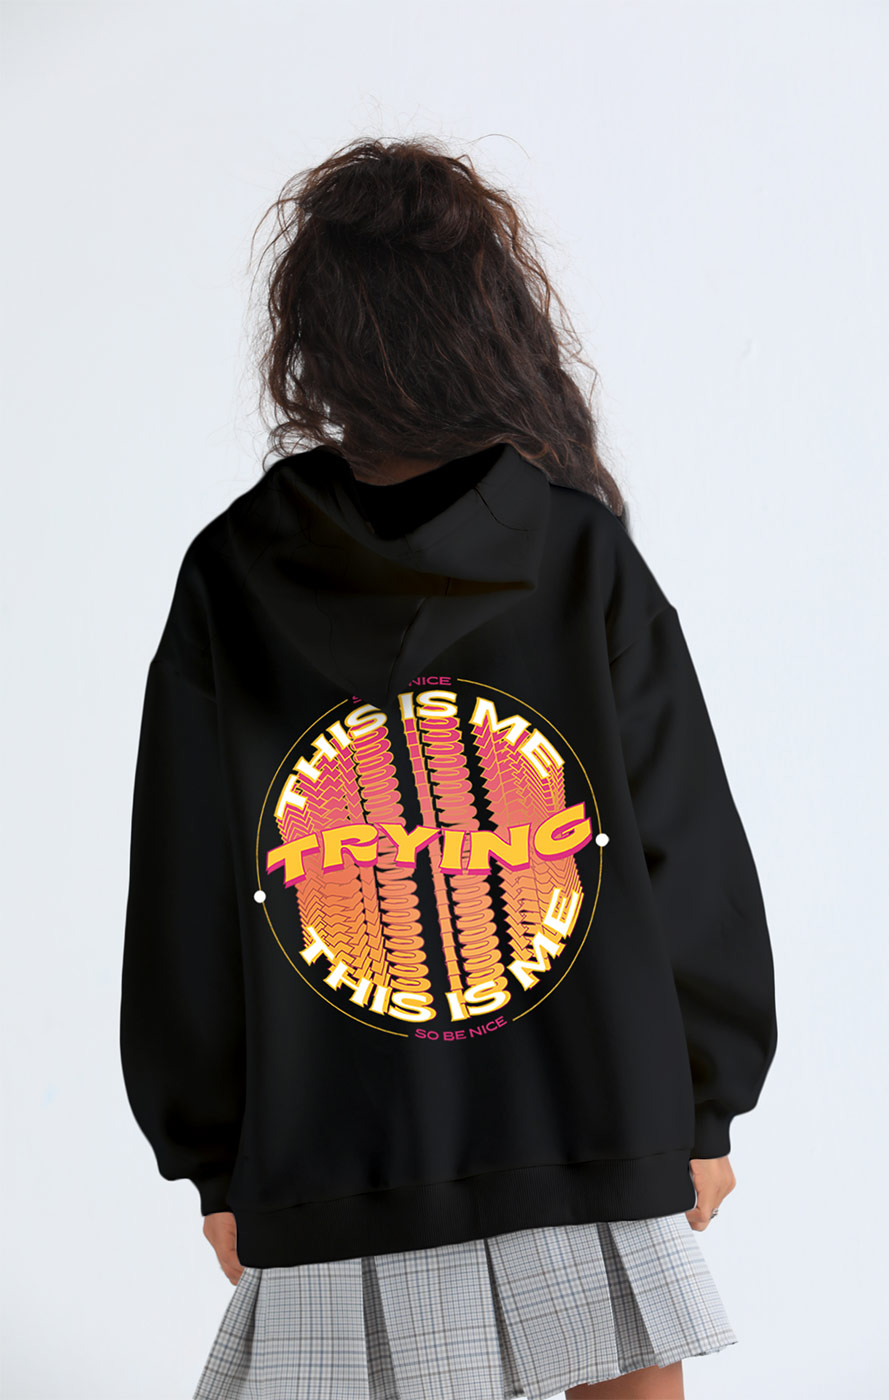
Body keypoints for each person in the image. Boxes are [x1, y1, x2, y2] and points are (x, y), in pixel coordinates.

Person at [119, 136, 778, 1400]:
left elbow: (188, 894)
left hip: (333, 1146)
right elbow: (685, 844)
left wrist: (212, 1154)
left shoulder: (234, 572)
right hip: (593, 1114)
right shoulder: (576, 554)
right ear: (488, 323)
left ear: (313, 337)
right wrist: (706, 1101)